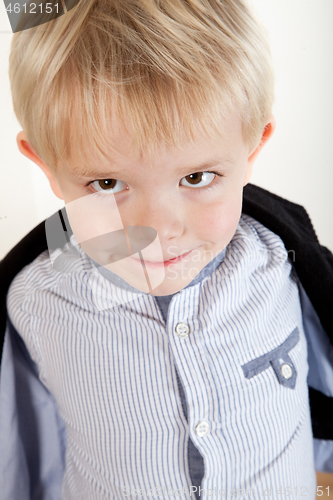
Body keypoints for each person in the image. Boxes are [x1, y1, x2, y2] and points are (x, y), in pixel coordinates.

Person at [0, 0, 333, 498]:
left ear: (252, 150)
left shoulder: (281, 261)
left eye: (197, 177)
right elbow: (17, 439)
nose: (157, 228)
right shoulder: (35, 301)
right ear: (45, 164)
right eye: (107, 183)